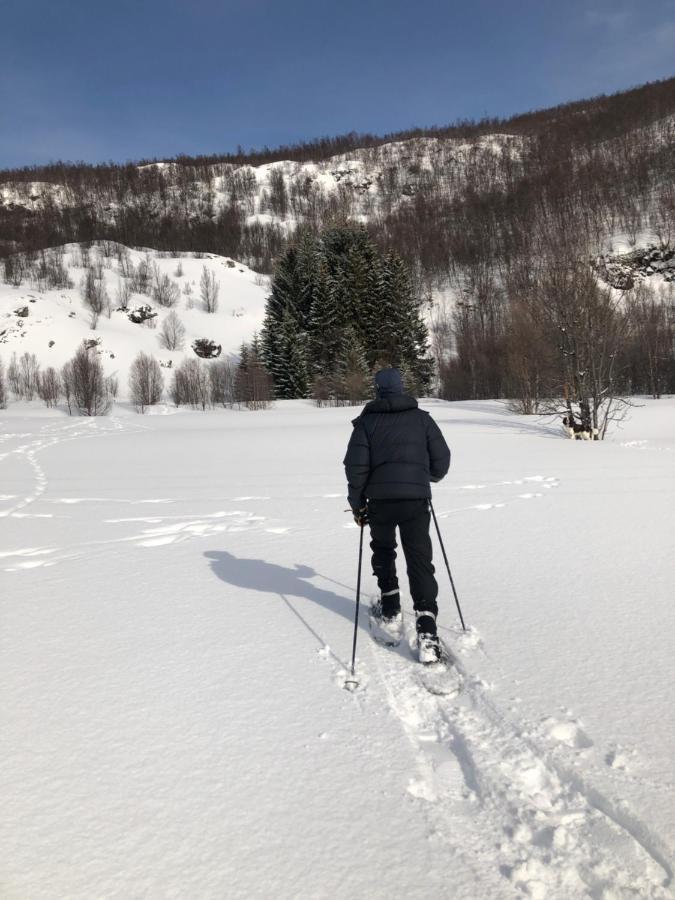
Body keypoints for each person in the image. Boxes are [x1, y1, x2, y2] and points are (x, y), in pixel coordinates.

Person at [343, 368, 451, 663]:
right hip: (415, 499)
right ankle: (427, 630)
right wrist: (426, 476)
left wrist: (357, 504)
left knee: (383, 548)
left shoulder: (366, 423)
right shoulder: (422, 420)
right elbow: (442, 459)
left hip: (380, 501)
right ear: (402, 388)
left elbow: (355, 469)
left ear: (377, 390)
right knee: (419, 559)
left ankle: (390, 604)